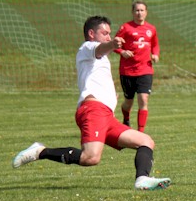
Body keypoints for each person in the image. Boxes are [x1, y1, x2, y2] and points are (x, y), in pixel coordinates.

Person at [12, 15, 171, 191]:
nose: (109, 37)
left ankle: (142, 179)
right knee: (91, 158)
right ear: (91, 33)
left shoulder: (100, 58)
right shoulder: (87, 48)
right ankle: (40, 152)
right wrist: (112, 45)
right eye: (105, 33)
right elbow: (100, 48)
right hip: (93, 111)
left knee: (146, 141)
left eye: (110, 34)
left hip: (106, 115)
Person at [115, 1, 160, 132]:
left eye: (142, 10)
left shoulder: (151, 29)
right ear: (133, 12)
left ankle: (141, 131)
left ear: (146, 12)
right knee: (128, 102)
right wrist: (122, 52)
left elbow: (155, 45)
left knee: (143, 99)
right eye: (137, 10)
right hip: (128, 71)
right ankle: (126, 119)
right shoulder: (126, 28)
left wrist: (155, 54)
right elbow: (114, 44)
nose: (139, 13)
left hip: (145, 69)